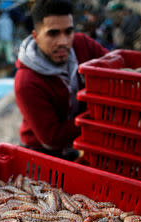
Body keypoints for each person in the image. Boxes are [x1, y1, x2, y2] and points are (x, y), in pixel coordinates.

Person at [14, 0, 108, 161]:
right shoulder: (26, 82)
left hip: (80, 140)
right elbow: (52, 139)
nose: (63, 42)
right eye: (53, 33)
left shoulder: (83, 44)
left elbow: (116, 67)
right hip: (43, 152)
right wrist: (101, 115)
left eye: (68, 32)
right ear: (36, 36)